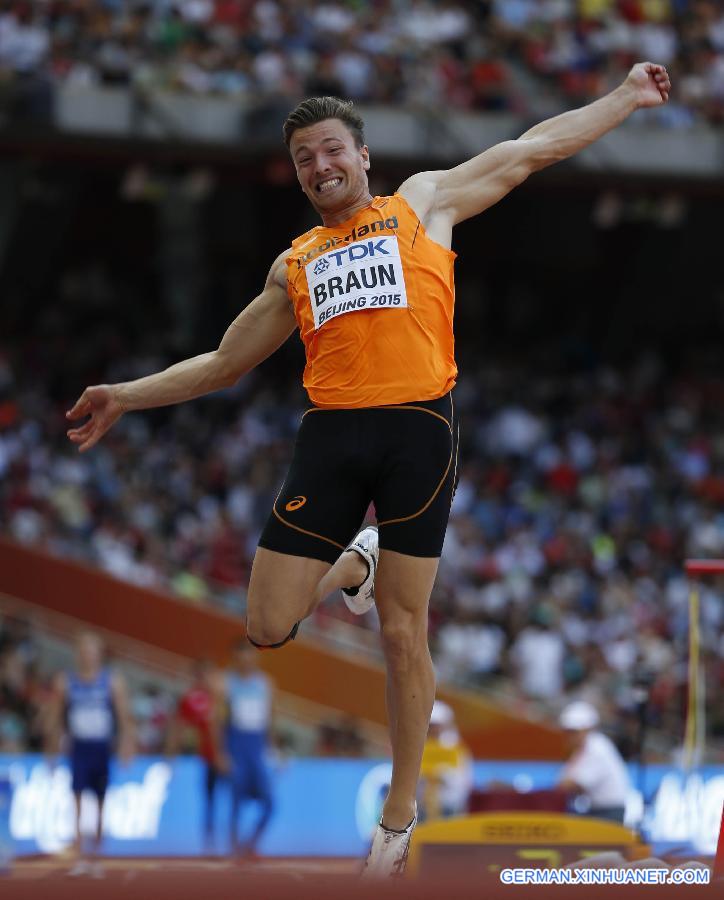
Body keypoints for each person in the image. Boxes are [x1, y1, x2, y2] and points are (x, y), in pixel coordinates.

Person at [65, 61, 671, 876]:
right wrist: (124, 396)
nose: (319, 167)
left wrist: (626, 98)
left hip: (420, 429)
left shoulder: (423, 202)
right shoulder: (297, 264)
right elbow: (219, 364)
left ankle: (397, 817)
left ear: (362, 155)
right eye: (304, 160)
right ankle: (360, 558)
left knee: (401, 631)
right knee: (266, 625)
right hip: (331, 438)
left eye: (330, 151)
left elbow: (530, 150)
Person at [46, 632, 134, 877]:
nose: (88, 656)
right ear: (78, 654)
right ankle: (79, 856)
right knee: (76, 800)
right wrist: (51, 748)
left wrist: (127, 744)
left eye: (92, 651)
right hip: (78, 747)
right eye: (84, 651)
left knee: (101, 801)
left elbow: (124, 716)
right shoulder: (65, 681)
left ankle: (96, 854)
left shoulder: (112, 681)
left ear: (99, 655)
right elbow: (54, 716)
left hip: (101, 747)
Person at [222, 640, 275, 858]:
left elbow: (270, 720)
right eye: (241, 658)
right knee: (235, 800)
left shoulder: (265, 684)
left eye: (250, 657)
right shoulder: (227, 684)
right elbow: (219, 722)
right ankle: (234, 847)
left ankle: (251, 843)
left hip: (257, 748)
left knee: (270, 803)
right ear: (236, 659)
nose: (246, 662)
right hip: (237, 746)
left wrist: (273, 751)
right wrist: (221, 753)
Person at [166, 658, 224, 852]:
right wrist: (171, 758)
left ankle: (234, 839)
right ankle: (210, 841)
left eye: (212, 674)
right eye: (204, 674)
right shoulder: (192, 699)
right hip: (209, 759)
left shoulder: (225, 696)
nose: (209, 679)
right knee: (210, 799)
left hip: (232, 757)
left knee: (234, 799)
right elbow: (179, 728)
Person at [557, 700, 630, 824]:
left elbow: (574, 785)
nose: (570, 736)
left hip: (609, 812)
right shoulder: (583, 749)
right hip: (597, 810)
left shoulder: (597, 747)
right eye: (568, 732)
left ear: (588, 729)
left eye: (574, 732)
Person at [419, 700, 472, 821]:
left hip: (448, 806)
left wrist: (442, 775)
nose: (433, 729)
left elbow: (463, 780)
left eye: (436, 725)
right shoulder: (417, 747)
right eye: (430, 725)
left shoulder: (455, 748)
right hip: (420, 806)